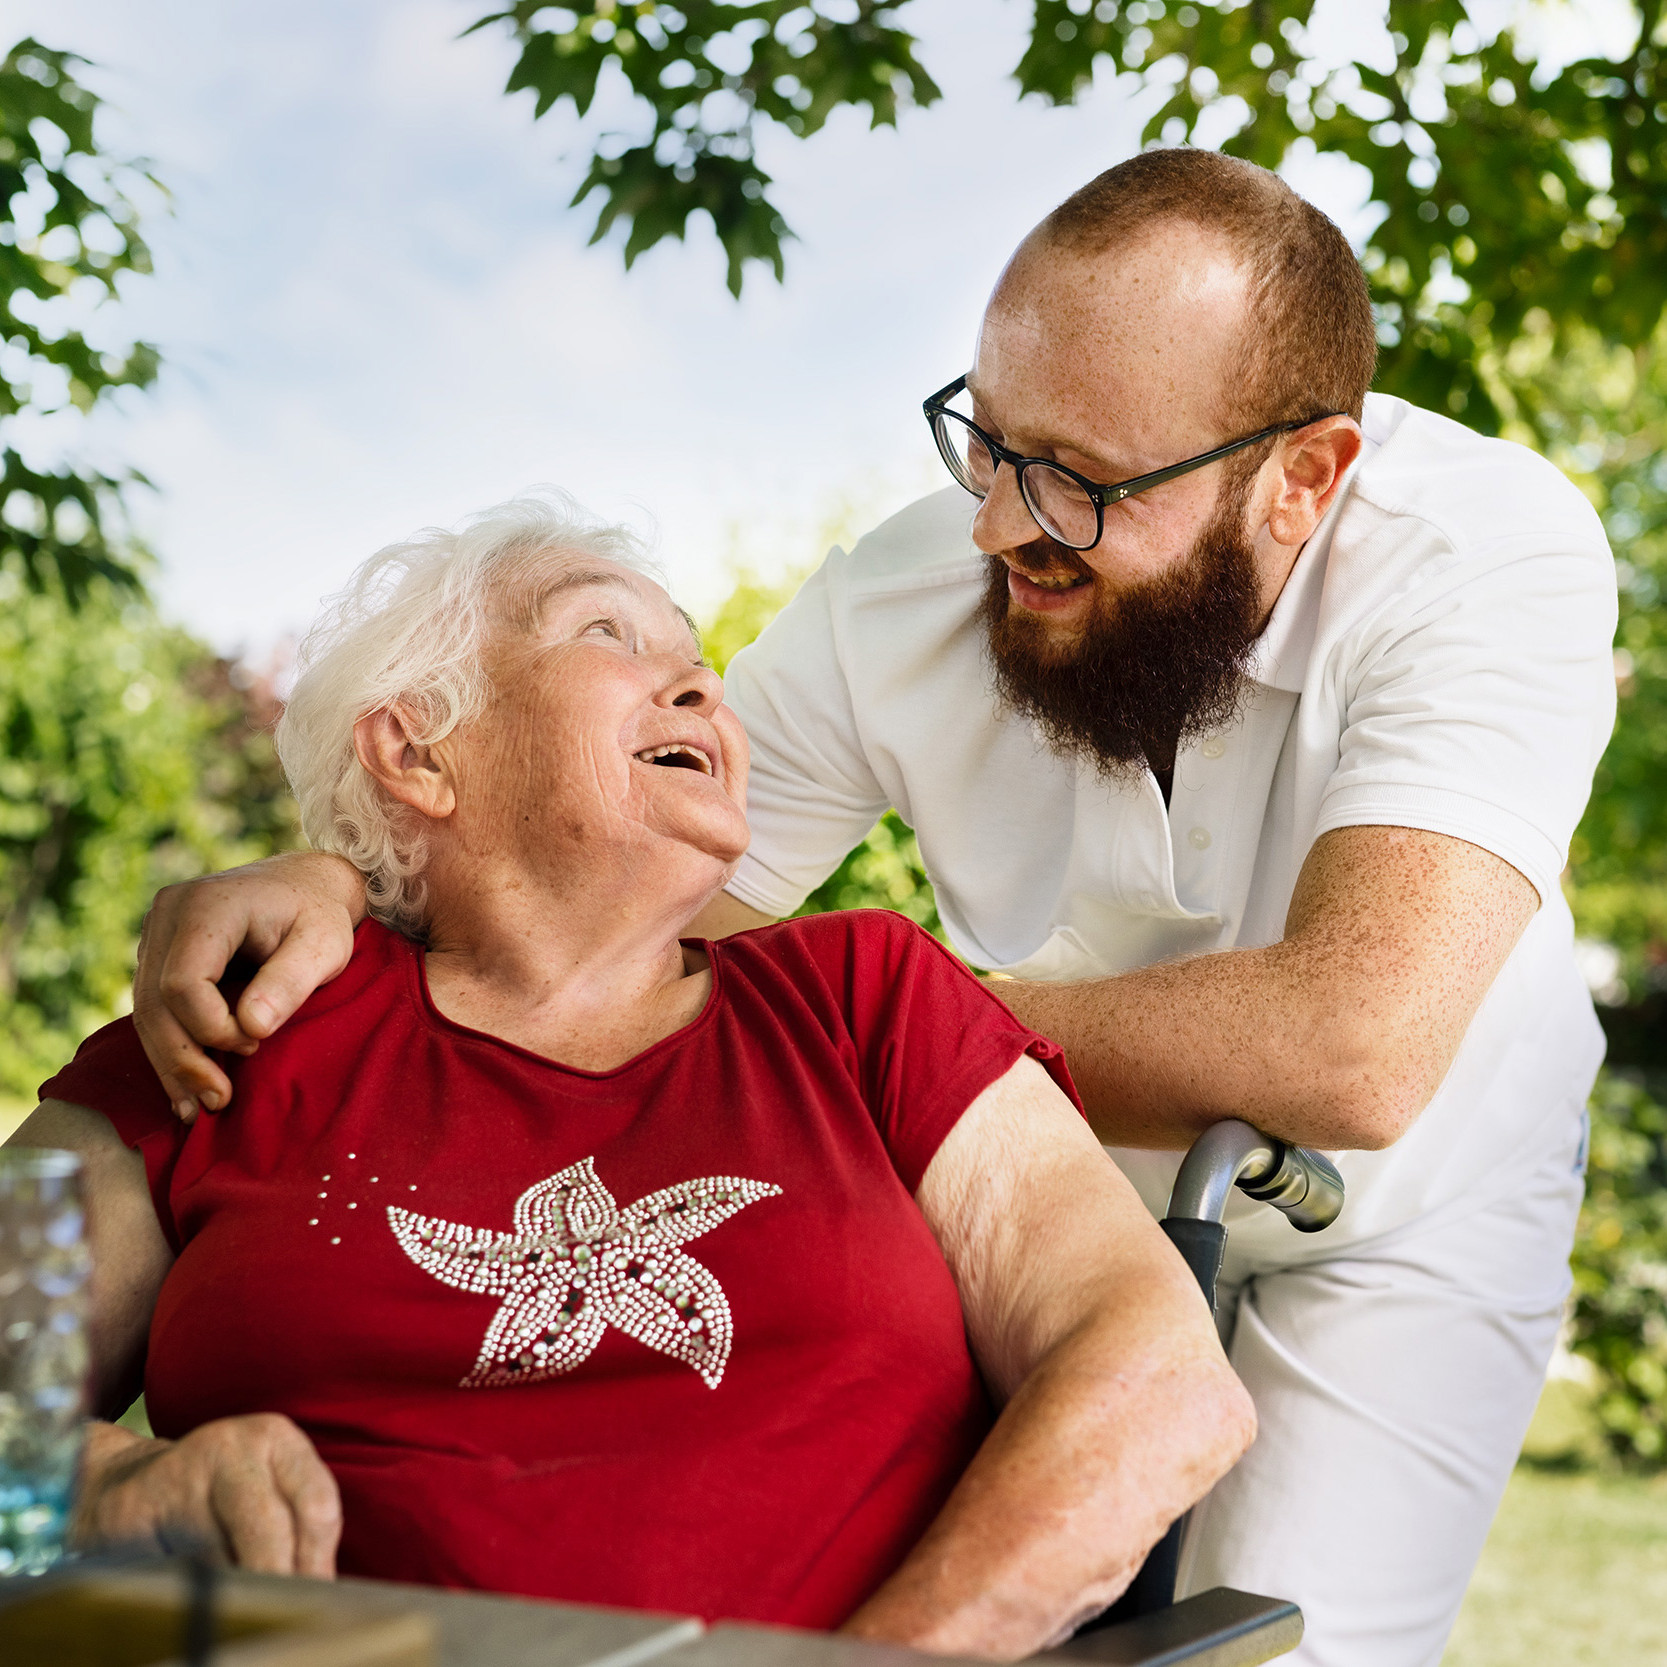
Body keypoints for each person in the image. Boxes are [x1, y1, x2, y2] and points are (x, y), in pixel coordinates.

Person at [128, 152, 1619, 1666]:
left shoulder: (1484, 558)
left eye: (1081, 484)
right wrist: (338, 870)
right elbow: (589, 888)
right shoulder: (904, 596)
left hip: (1404, 1208)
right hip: (1048, 1172)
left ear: (1298, 479)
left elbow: (1348, 1045)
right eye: (985, 440)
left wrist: (905, 1037)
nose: (993, 528)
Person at [15, 497, 1253, 1660]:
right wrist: (105, 1489)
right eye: (605, 629)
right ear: (417, 751)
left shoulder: (862, 996)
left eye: (700, 658)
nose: (703, 684)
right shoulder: (232, 1029)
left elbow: (1157, 1376)